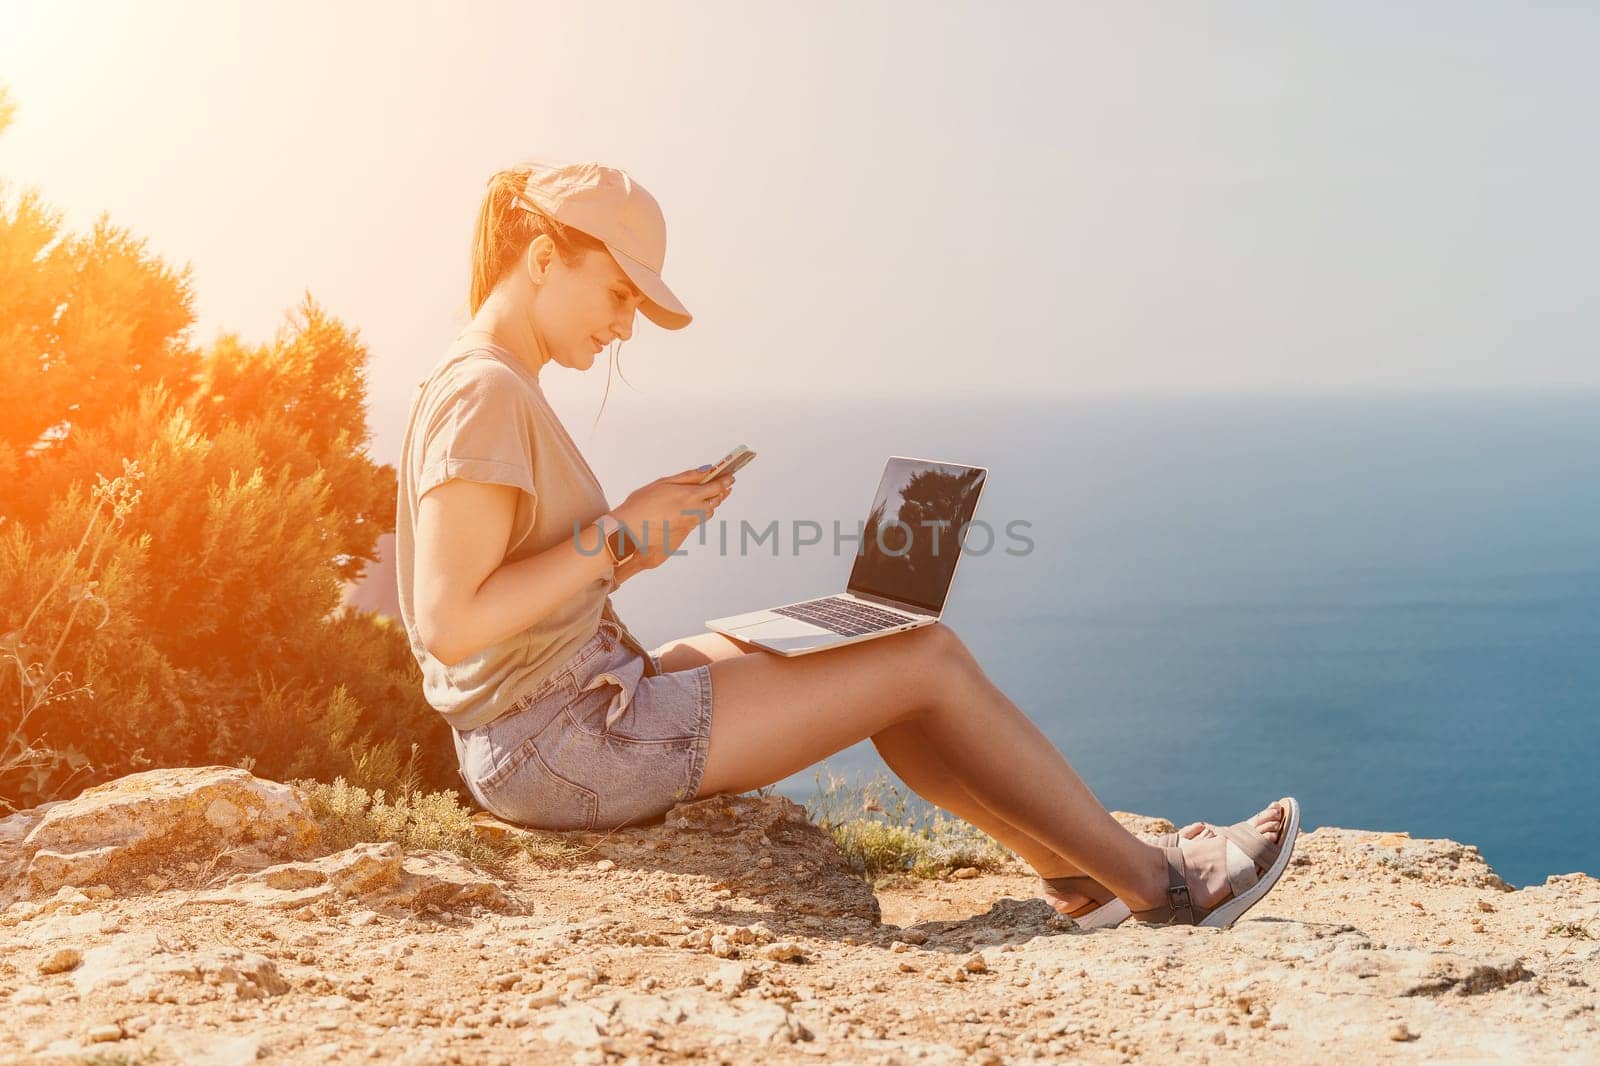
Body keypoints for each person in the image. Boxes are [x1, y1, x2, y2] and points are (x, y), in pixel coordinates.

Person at [395, 160, 1301, 929]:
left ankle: (1073, 875)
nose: (625, 323)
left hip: (571, 706)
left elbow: (511, 582)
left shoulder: (491, 380)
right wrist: (616, 533)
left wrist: (636, 546)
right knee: (928, 658)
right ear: (544, 257)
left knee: (871, 646)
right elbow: (450, 621)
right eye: (619, 292)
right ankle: (1160, 887)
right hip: (562, 742)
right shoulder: (487, 391)